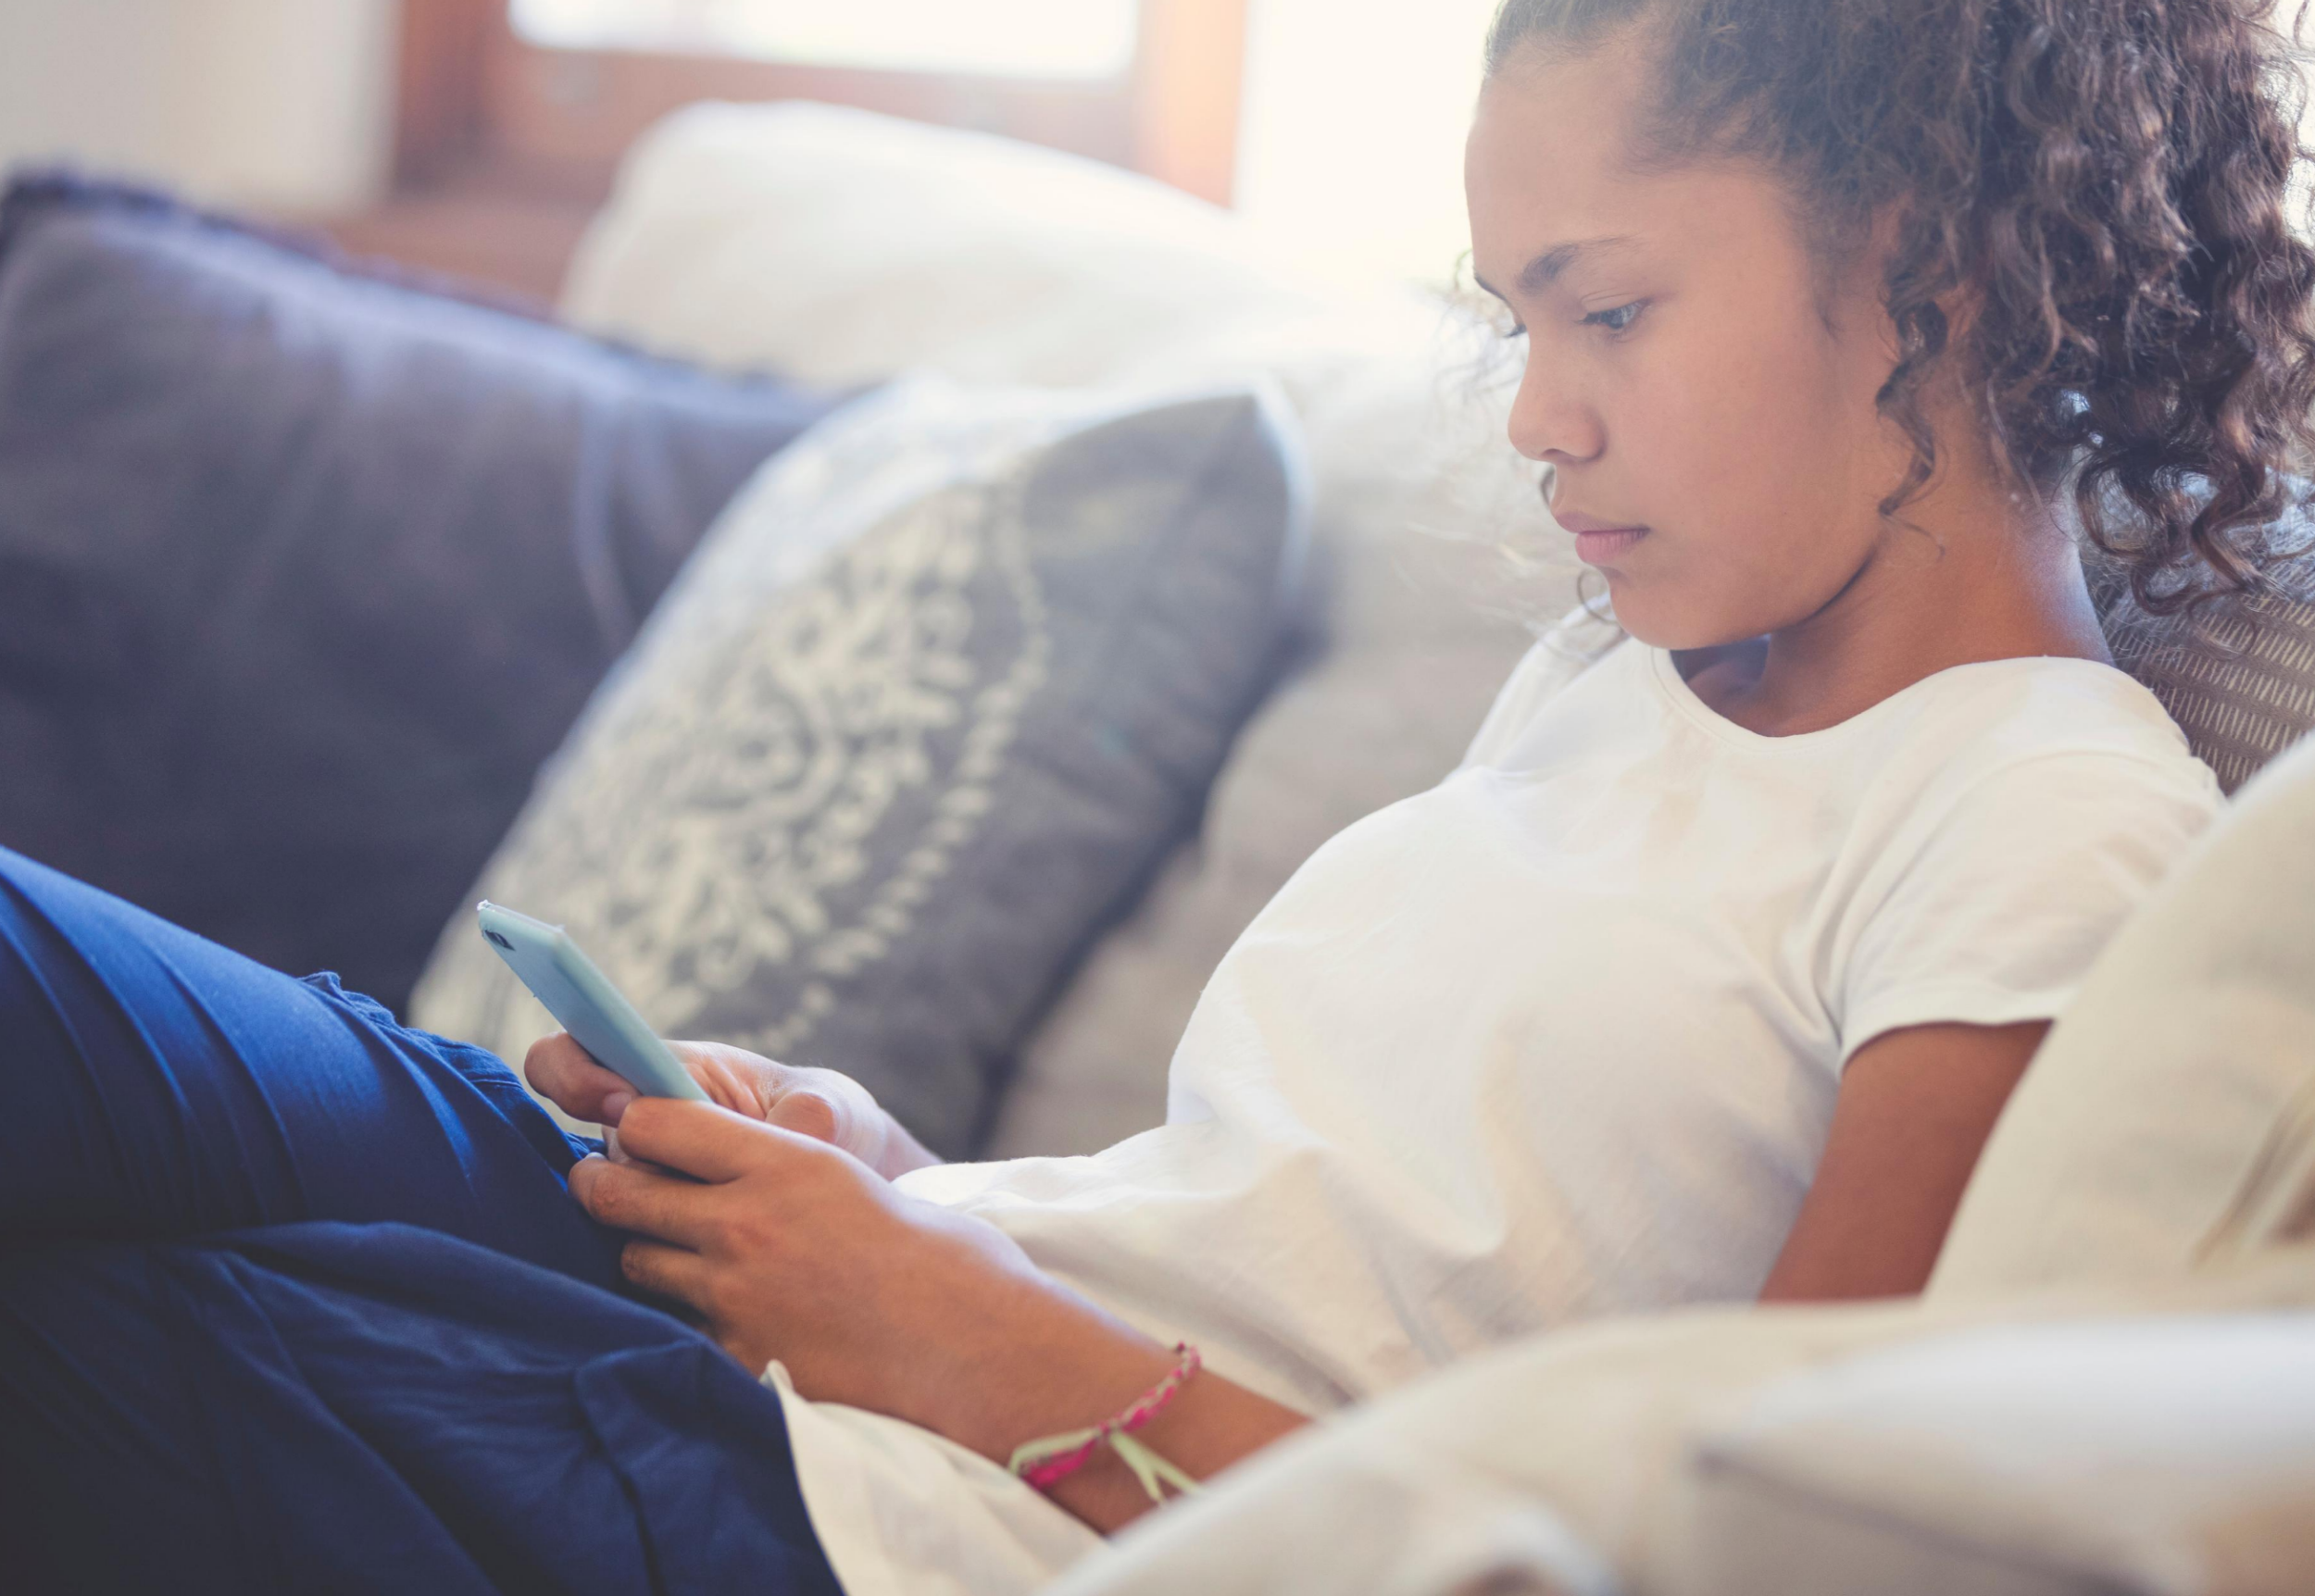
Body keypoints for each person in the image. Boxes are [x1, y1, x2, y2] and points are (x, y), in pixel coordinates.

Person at [4, 1, 2309, 1591]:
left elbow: (1721, 1536)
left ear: (1931, 272)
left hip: (896, 1526)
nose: (1535, 415)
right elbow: (1299, 1231)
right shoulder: (1622, 682)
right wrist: (904, 1191)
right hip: (877, 1364)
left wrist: (990, 1349)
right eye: (1513, 322)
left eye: (1604, 310)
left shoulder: (2035, 825)